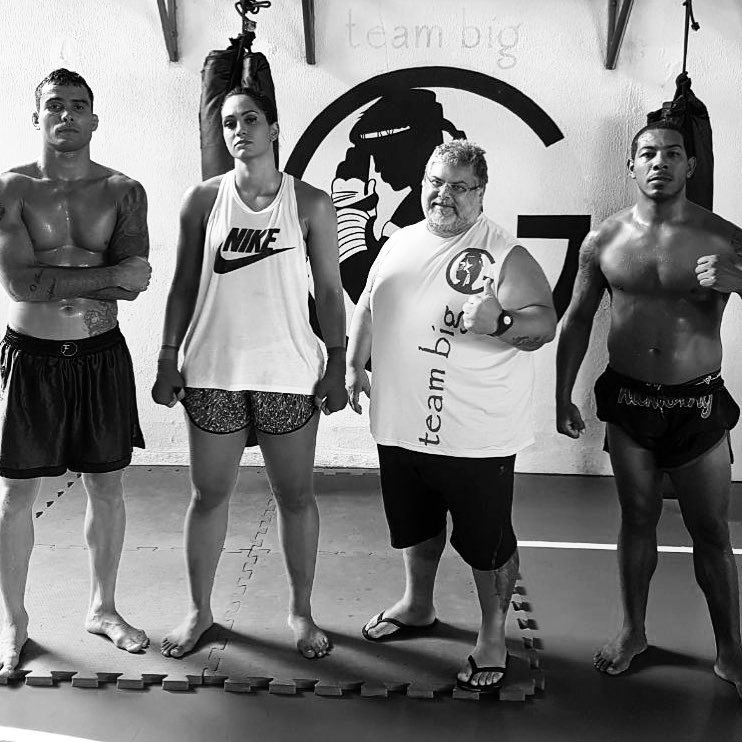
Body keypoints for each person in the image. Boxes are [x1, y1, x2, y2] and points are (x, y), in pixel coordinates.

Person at [347, 140, 556, 692]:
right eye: (436, 182)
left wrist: (501, 322)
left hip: (475, 433)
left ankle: (493, 634)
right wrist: (353, 363)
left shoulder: (505, 254)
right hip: (402, 423)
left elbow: (544, 323)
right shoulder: (400, 241)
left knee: (487, 542)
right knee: (415, 525)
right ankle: (418, 604)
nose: (444, 194)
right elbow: (368, 302)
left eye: (459, 187)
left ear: (481, 193)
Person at [152, 86, 347, 660]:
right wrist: (167, 357)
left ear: (274, 127)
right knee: (208, 495)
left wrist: (337, 362)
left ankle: (301, 612)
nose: (240, 130)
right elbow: (182, 284)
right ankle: (200, 611)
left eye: (251, 119)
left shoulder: (309, 203)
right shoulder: (202, 200)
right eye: (230, 122)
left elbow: (329, 290)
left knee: (296, 496)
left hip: (288, 371)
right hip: (213, 370)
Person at [556, 120, 742, 698]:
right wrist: (561, 394)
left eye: (673, 153)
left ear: (691, 165)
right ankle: (633, 631)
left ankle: (731, 650)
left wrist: (741, 280)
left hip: (697, 405)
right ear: (631, 165)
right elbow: (577, 319)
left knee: (710, 529)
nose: (660, 162)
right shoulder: (603, 241)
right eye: (648, 153)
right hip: (630, 402)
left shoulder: (726, 237)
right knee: (636, 517)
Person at [0, 69, 152, 678]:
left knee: (107, 486)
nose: (67, 114)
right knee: (15, 496)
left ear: (94, 118)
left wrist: (58, 280)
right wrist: (103, 277)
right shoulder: (11, 189)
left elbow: (138, 283)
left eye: (78, 106)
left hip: (98, 355)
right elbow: (19, 284)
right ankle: (13, 621)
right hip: (30, 357)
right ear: (36, 116)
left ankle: (103, 609)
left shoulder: (124, 191)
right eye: (55, 105)